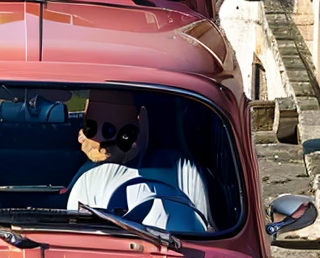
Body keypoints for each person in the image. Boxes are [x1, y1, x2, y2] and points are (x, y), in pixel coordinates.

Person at [66, 90, 213, 232]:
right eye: (90, 128)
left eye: (111, 129)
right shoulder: (86, 176)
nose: (99, 140)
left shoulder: (184, 172)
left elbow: (205, 230)